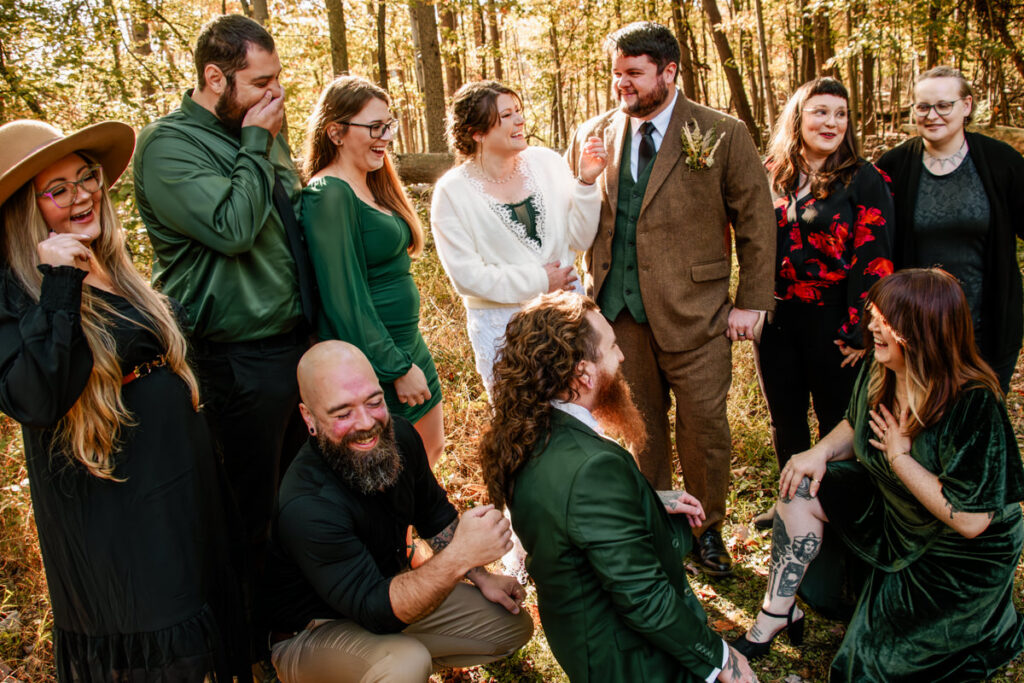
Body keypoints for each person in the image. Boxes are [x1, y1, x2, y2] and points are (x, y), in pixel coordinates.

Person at [0, 119, 246, 680]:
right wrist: (58, 283)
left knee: (203, 635)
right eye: (57, 189)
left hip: (180, 484)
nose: (82, 194)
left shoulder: (112, 259)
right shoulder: (15, 289)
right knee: (161, 648)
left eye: (86, 178)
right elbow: (35, 397)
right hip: (115, 507)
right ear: (24, 208)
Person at [734, 269, 1024, 680]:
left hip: (957, 555)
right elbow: (857, 424)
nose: (870, 326)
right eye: (873, 315)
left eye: (883, 320)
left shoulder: (973, 403)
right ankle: (775, 614)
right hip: (897, 511)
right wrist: (818, 452)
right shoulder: (882, 367)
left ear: (923, 329)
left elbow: (973, 521)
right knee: (800, 482)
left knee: (868, 665)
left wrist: (900, 457)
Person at [565, 21, 776, 576]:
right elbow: (579, 216)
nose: (622, 85)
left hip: (699, 312)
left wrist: (751, 300)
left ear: (669, 71)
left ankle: (706, 531)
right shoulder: (593, 133)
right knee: (640, 425)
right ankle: (655, 522)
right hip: (618, 313)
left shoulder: (721, 133)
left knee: (704, 426)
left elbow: (756, 220)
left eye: (634, 74)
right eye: (616, 74)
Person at [133, 13, 313, 634]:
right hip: (234, 356)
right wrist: (260, 144)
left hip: (296, 345)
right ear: (215, 76)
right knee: (249, 509)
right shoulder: (167, 145)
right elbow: (234, 231)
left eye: (277, 80)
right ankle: (250, 644)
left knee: (302, 495)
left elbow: (289, 218)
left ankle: (300, 623)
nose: (274, 94)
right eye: (260, 81)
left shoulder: (255, 127)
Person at [478, 291, 756, 682]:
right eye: (611, 347)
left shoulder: (527, 433)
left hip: (580, 638)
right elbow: (645, 600)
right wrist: (723, 659)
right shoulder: (595, 467)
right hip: (629, 659)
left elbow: (570, 514)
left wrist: (649, 502)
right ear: (583, 373)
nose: (622, 356)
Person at [262, 341, 533, 683]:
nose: (366, 424)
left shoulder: (399, 436)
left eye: (374, 402)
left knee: (510, 625)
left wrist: (482, 575)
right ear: (309, 419)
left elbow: (434, 514)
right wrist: (460, 556)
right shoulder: (306, 504)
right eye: (343, 413)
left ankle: (382, 666)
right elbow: (375, 611)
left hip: (387, 595)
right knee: (406, 662)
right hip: (312, 630)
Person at [751, 77, 894, 530]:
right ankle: (790, 503)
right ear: (799, 116)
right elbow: (750, 243)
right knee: (785, 418)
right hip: (775, 319)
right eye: (820, 111)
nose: (831, 122)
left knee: (838, 420)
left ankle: (837, 508)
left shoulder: (865, 179)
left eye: (840, 114)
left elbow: (875, 257)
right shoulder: (770, 172)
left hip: (836, 321)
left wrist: (862, 330)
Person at [301, 76, 444, 466]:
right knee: (398, 478)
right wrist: (395, 368)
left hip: (407, 345)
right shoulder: (328, 194)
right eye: (374, 127)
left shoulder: (370, 183)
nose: (386, 136)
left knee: (428, 459)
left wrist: (408, 357)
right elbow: (343, 299)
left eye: (389, 125)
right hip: (376, 363)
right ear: (336, 132)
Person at [430, 80, 606, 393]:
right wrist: (539, 281)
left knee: (580, 410)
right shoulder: (451, 192)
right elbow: (467, 277)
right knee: (522, 424)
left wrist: (586, 183)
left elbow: (579, 239)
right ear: (478, 132)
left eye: (518, 111)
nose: (520, 120)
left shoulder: (547, 163)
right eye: (507, 115)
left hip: (566, 314)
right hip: (503, 328)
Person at [877, 65, 1024, 391]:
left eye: (944, 105)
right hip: (915, 330)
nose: (933, 115)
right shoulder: (894, 166)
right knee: (923, 425)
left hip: (987, 327)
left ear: (967, 106)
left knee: (978, 423)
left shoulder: (1002, 163)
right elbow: (872, 246)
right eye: (923, 107)